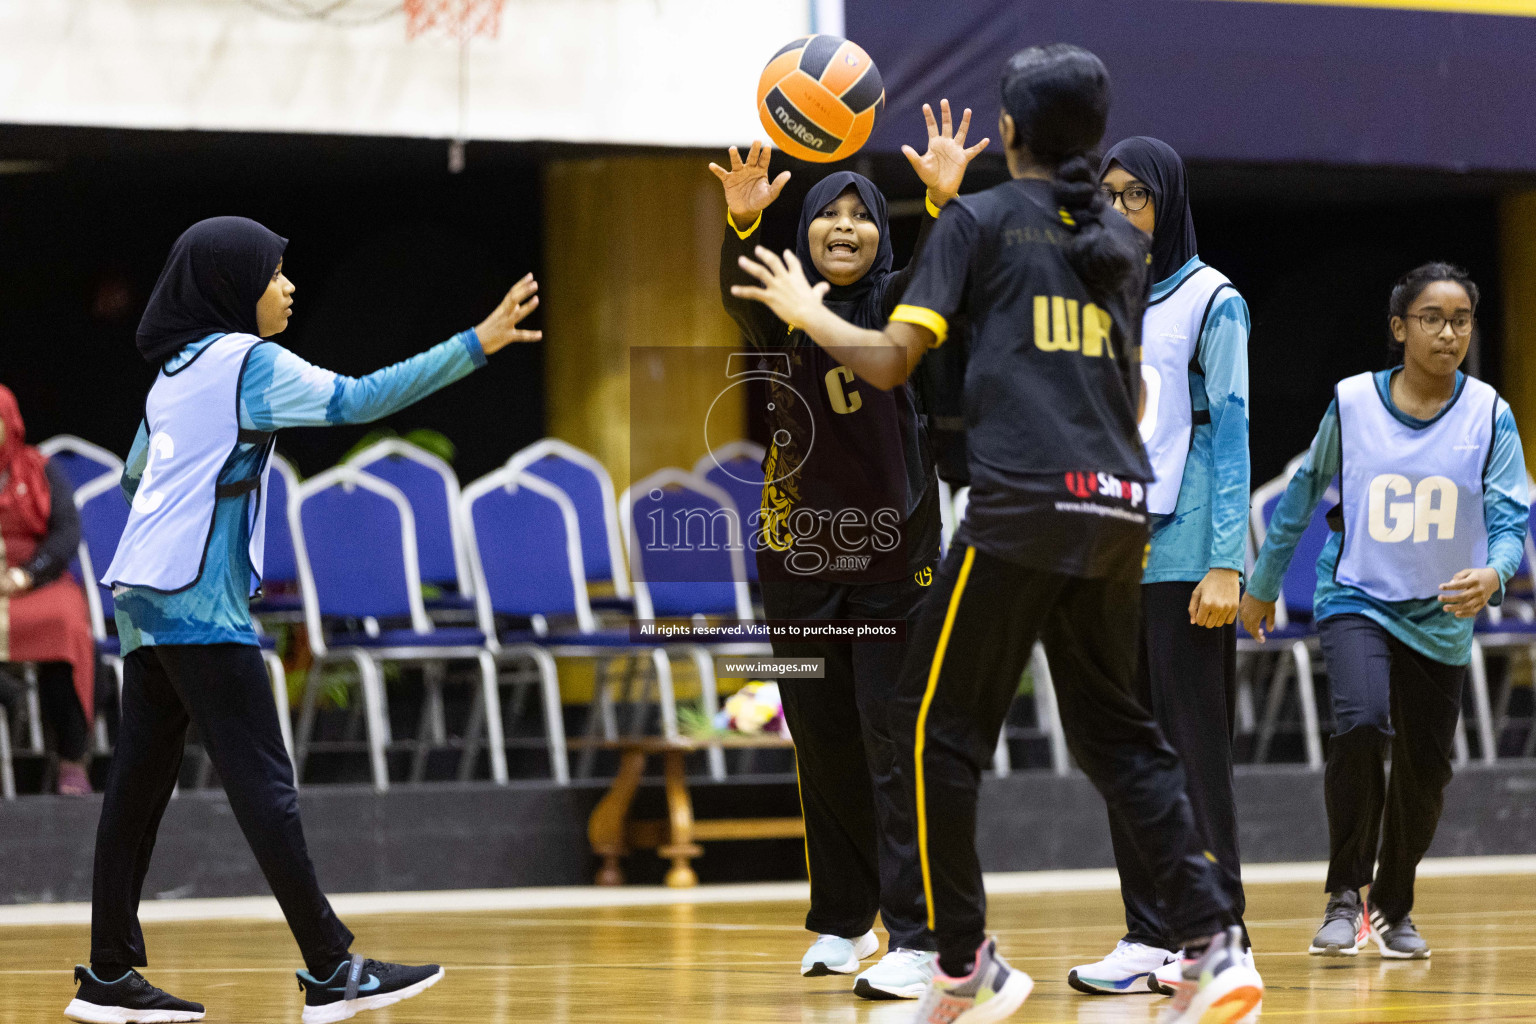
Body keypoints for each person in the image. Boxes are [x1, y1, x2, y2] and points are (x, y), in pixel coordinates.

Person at [729, 43, 1263, 1024]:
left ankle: (962, 959)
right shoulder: (1118, 240)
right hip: (1116, 510)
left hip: (1024, 506)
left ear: (1008, 131)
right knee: (1123, 736)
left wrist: (810, 308)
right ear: (1092, 139)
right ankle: (1216, 942)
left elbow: (893, 362)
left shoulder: (982, 220)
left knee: (935, 729)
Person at [66, 216, 541, 1024]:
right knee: (265, 788)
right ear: (231, 286)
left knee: (137, 790)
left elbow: (134, 475)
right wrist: (476, 344)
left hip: (141, 595)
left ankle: (110, 974)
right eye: (275, 273)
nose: (288, 286)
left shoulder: (174, 372)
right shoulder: (249, 362)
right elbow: (358, 400)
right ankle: (332, 968)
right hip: (197, 602)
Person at [711, 99, 988, 1000]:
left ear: (881, 235)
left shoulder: (912, 307)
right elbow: (737, 287)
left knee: (890, 738)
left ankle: (916, 934)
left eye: (862, 213)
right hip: (796, 559)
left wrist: (946, 206)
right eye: (828, 211)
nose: (843, 226)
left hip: (894, 561)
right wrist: (744, 221)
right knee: (819, 740)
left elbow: (956, 293)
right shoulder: (782, 307)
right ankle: (841, 919)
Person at [1240, 262, 1528, 961]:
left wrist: (1495, 572)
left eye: (1461, 320)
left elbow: (1510, 520)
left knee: (1427, 772)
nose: (1448, 332)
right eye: (1432, 317)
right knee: (1363, 723)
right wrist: (1263, 581)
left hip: (1442, 615)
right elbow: (1304, 494)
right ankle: (1344, 895)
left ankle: (1393, 905)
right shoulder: (1353, 403)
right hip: (1358, 595)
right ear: (1399, 328)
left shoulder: (1491, 413)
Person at [1069, 136, 1253, 997]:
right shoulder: (1092, 294)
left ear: (1167, 203)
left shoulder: (1213, 300)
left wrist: (1226, 563)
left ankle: (1220, 932)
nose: (1119, 208)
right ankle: (1150, 932)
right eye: (1106, 192)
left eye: (1135, 194)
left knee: (1192, 751)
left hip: (1184, 554)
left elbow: (1231, 436)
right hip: (1107, 550)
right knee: (1125, 750)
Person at [0, 385, 98, 796]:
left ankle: (72, 760)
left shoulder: (39, 469)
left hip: (35, 582)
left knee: (64, 623)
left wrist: (25, 575)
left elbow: (66, 534)